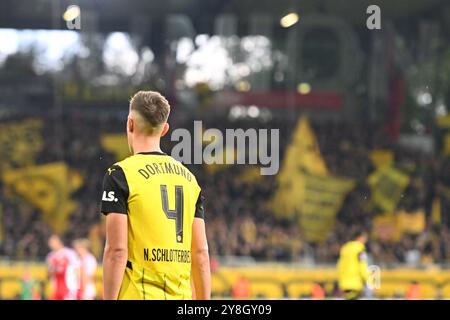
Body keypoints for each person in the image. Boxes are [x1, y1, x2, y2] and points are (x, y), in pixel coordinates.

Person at [101, 91, 210, 300]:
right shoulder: (189, 180)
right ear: (165, 130)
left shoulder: (120, 175)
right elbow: (201, 254)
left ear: (130, 124)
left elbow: (116, 251)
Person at [337, 230, 369, 300]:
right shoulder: (360, 249)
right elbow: (362, 266)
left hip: (344, 284)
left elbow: (340, 266)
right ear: (361, 238)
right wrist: (368, 280)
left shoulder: (345, 248)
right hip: (355, 284)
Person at [46, 234, 80, 300]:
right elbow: (49, 273)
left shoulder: (69, 253)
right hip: (55, 289)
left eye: (52, 242)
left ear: (59, 241)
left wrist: (77, 288)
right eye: (50, 242)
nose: (50, 244)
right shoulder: (50, 256)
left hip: (69, 288)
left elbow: (77, 270)